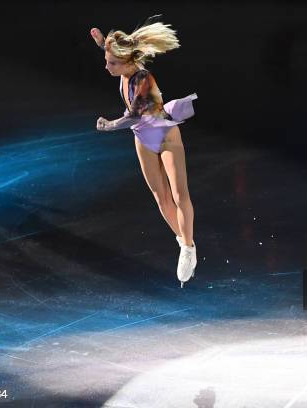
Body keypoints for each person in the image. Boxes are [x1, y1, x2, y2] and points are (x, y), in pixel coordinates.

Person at [90, 19, 197, 287]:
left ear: (127, 62)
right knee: (161, 198)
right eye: (107, 60)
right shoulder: (122, 64)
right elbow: (117, 53)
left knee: (178, 193)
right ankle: (185, 243)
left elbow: (135, 114)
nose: (106, 66)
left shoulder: (142, 78)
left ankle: (188, 247)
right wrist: (104, 43)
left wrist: (110, 124)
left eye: (112, 62)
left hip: (163, 132)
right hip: (143, 137)